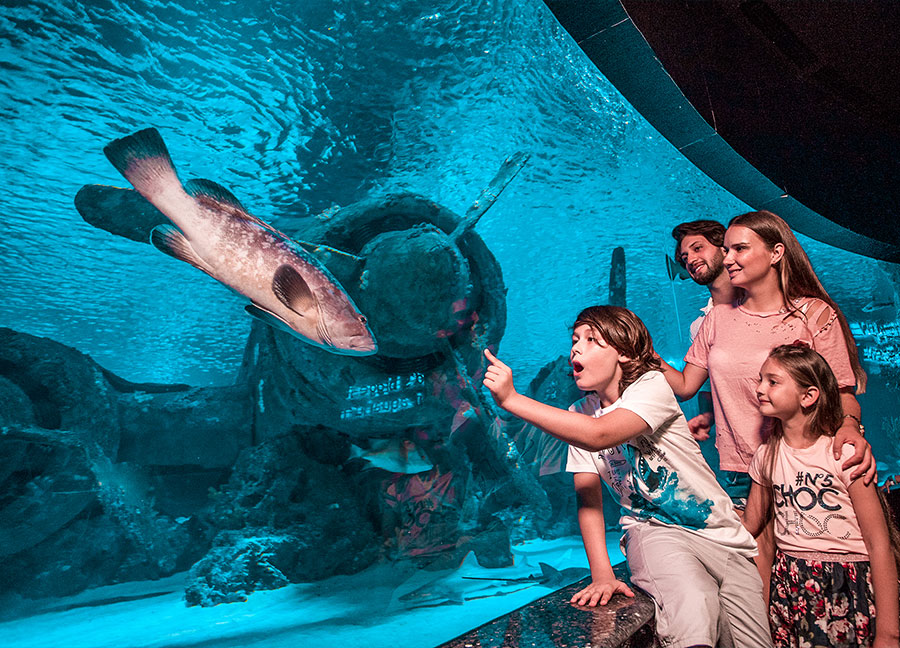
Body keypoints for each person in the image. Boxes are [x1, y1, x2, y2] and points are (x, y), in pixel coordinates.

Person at [483, 305, 772, 648]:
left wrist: (512, 399)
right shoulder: (580, 414)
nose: (575, 349)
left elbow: (600, 434)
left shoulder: (652, 386)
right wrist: (602, 574)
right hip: (655, 532)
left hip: (721, 534)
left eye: (591, 340)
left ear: (623, 352)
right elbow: (588, 500)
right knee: (693, 609)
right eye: (574, 340)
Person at [660, 210, 874, 505]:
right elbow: (689, 386)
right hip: (740, 472)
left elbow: (842, 393)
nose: (728, 259)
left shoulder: (814, 314)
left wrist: (850, 427)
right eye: (727, 250)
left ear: (776, 253)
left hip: (805, 463)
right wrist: (640, 349)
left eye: (739, 249)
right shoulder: (714, 320)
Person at [742, 344, 900, 648]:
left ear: (808, 396)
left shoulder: (844, 455)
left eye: (773, 382)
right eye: (761, 380)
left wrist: (889, 634)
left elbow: (879, 543)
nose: (760, 388)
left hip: (846, 585)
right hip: (791, 588)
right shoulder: (766, 456)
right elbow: (750, 524)